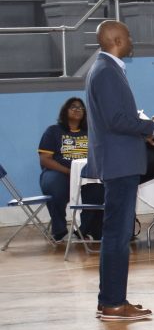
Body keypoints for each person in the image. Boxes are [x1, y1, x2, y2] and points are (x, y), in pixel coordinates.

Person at [84, 20, 154, 321]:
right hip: (120, 163)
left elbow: (113, 119)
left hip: (118, 160)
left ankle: (112, 300)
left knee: (116, 234)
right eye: (128, 35)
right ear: (116, 39)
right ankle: (113, 303)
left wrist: (141, 131)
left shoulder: (105, 69)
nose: (131, 39)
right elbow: (117, 119)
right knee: (117, 235)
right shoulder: (106, 71)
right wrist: (151, 126)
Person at [38, 97, 103, 242]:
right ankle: (59, 229)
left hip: (87, 173)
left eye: (81, 107)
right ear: (65, 111)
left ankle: (83, 230)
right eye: (73, 107)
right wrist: (69, 172)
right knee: (54, 186)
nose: (77, 109)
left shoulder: (91, 132)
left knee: (98, 189)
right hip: (60, 172)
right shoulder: (53, 131)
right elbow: (45, 159)